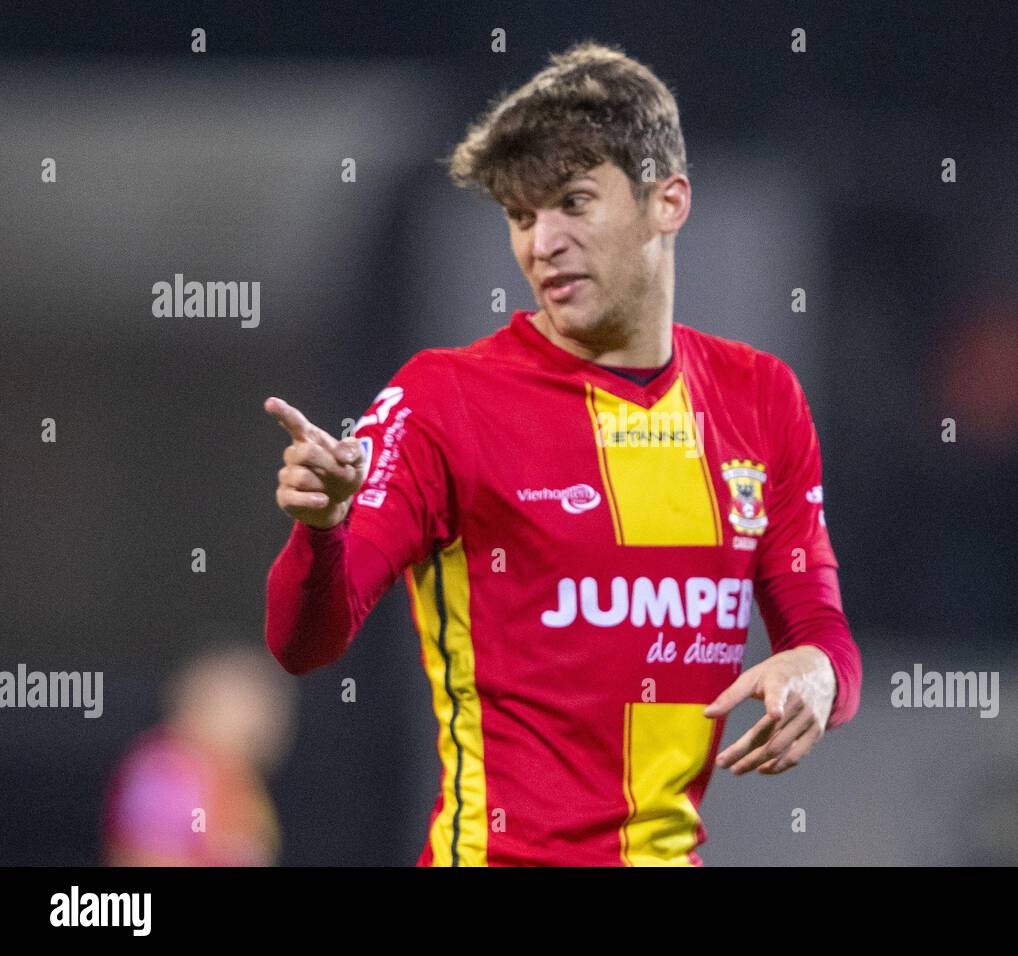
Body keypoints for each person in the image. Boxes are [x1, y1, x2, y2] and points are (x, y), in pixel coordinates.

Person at [263, 39, 860, 866]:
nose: (542, 243)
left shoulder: (761, 399)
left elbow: (820, 631)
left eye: (574, 203)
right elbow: (306, 641)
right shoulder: (445, 400)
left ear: (669, 201)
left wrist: (819, 679)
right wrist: (322, 527)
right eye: (520, 215)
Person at [102, 644, 294, 866]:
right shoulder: (169, 769)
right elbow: (146, 857)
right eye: (249, 703)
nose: (264, 721)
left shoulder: (236, 780)